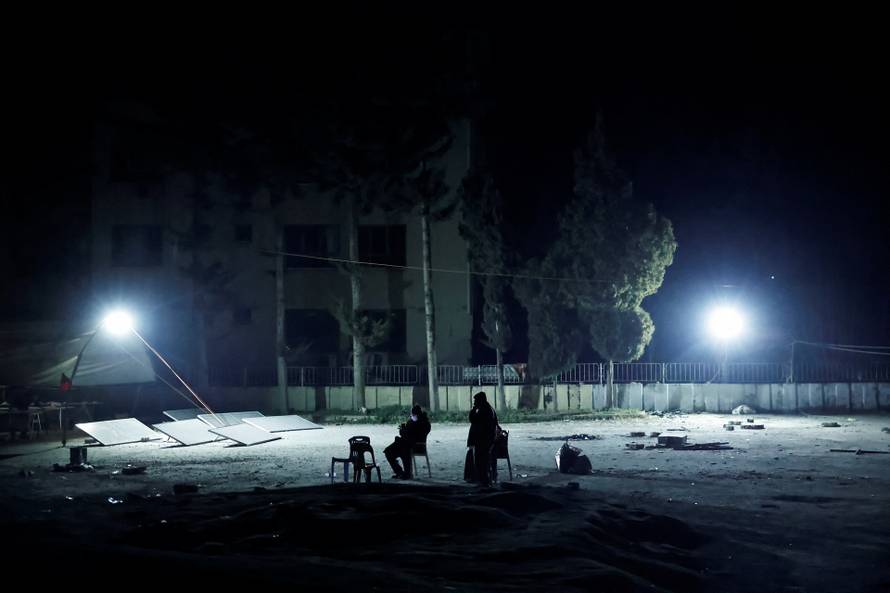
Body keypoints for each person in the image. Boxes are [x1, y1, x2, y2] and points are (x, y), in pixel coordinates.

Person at [384, 404, 431, 479]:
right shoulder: (413, 422)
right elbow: (407, 434)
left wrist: (405, 429)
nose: (412, 416)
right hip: (407, 443)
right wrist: (404, 428)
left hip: (416, 446)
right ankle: (400, 472)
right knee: (388, 452)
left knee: (403, 450)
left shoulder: (424, 423)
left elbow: (414, 434)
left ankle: (406, 473)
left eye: (413, 415)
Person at [466, 391, 498, 486]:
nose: (474, 403)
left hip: (483, 441)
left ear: (480, 400)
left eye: (476, 401)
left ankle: (483, 480)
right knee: (480, 460)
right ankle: (482, 479)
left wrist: (473, 409)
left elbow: (473, 420)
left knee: (481, 461)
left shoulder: (484, 410)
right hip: (486, 440)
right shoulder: (488, 409)